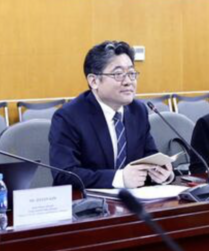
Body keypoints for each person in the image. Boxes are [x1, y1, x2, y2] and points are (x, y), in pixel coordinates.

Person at [49, 41, 173, 189]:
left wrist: (162, 173)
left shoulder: (137, 110)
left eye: (132, 73)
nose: (128, 82)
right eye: (118, 74)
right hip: (89, 206)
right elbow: (64, 174)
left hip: (133, 202)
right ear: (94, 81)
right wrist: (119, 178)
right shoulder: (69, 117)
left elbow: (149, 156)